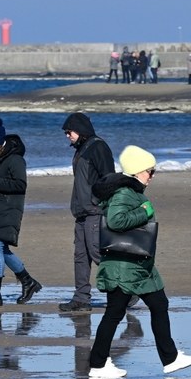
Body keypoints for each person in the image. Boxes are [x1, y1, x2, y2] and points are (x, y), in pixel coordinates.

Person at [85, 145, 191, 379]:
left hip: (137, 264)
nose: (152, 176)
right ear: (137, 171)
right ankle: (98, 365)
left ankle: (170, 358)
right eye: (150, 171)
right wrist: (144, 211)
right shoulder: (125, 193)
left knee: (159, 305)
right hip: (124, 267)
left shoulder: (131, 191)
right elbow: (115, 221)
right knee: (115, 313)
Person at [0, 118, 42, 307]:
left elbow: (21, 184)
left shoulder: (16, 159)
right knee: (1, 249)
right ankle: (28, 281)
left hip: (10, 208)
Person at [59, 112, 116, 312]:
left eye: (69, 132)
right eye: (66, 133)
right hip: (81, 212)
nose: (67, 136)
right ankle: (81, 298)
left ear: (80, 130)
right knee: (80, 257)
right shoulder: (81, 149)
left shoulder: (98, 147)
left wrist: (103, 204)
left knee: (97, 253)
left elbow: (109, 179)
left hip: (95, 211)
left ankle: (125, 291)